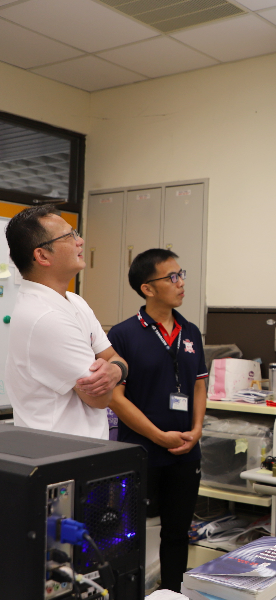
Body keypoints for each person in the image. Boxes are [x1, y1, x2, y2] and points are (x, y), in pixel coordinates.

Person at [108, 248, 207, 592]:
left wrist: (196, 430)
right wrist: (159, 436)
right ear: (148, 288)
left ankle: (172, 594)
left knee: (177, 533)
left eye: (181, 275)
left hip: (185, 451)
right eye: (172, 277)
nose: (181, 283)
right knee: (126, 535)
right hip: (140, 452)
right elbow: (115, 398)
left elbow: (198, 386)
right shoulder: (122, 335)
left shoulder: (191, 331)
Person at [5, 205, 127, 438]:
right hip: (59, 454)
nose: (80, 241)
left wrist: (115, 370)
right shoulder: (44, 317)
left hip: (84, 450)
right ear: (42, 255)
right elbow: (100, 398)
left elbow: (114, 358)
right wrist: (116, 370)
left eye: (76, 233)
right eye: (69, 236)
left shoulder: (74, 301)